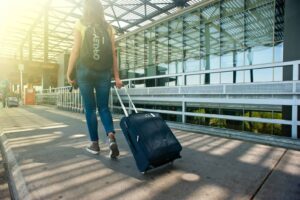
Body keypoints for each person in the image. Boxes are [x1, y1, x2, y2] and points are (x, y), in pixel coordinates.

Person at [66, 0, 122, 158]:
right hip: (104, 72)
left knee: (90, 109)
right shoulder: (109, 28)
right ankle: (111, 137)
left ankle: (95, 144)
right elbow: (113, 54)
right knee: (104, 107)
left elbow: (75, 50)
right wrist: (117, 77)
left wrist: (69, 73)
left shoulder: (80, 23)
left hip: (84, 71)